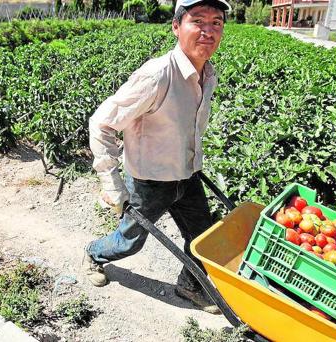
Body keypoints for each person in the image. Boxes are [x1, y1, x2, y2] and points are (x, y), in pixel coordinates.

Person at [83, 0, 230, 314]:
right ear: (176, 27)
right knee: (130, 241)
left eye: (216, 22)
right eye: (198, 21)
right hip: (150, 181)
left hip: (187, 175)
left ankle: (190, 287)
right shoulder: (158, 75)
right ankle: (94, 254)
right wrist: (112, 184)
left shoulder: (208, 73)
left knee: (201, 237)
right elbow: (102, 123)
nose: (208, 30)